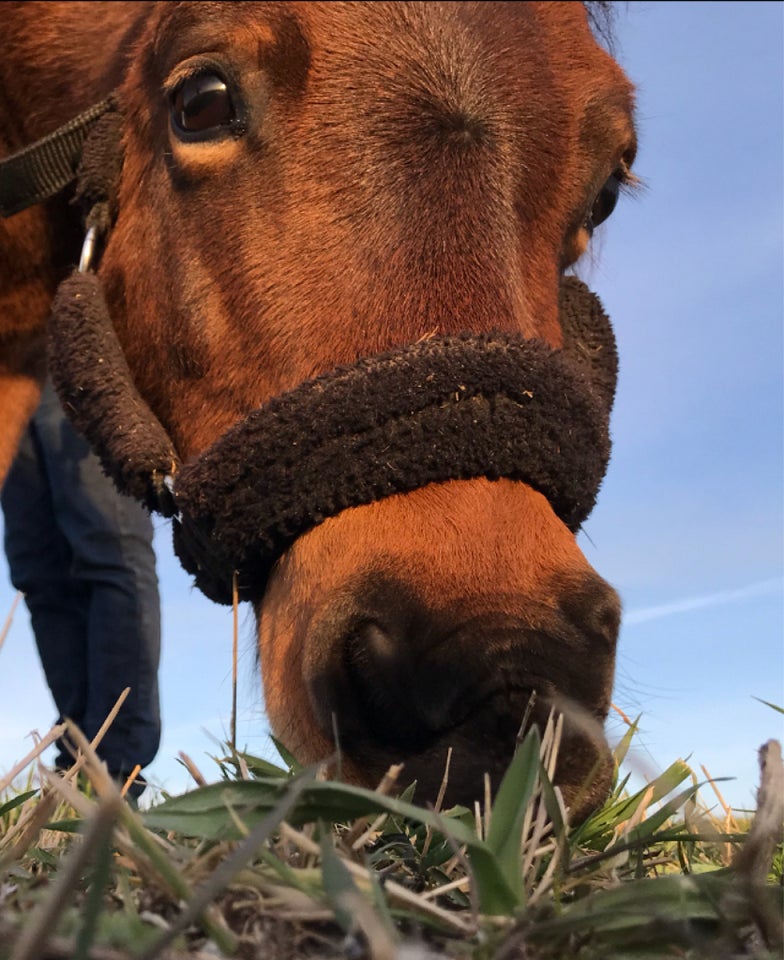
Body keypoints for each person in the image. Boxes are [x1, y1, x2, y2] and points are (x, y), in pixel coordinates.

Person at [1, 378, 161, 800]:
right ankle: (75, 766)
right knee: (38, 569)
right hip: (9, 365)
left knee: (109, 544)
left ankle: (114, 774)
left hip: (74, 339)